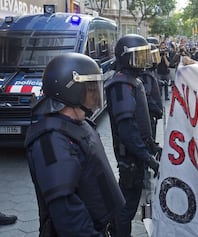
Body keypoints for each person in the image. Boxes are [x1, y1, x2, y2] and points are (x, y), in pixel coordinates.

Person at [24, 53, 125, 236]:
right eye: (91, 89)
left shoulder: (78, 123)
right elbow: (67, 214)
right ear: (71, 91)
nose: (95, 96)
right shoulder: (51, 140)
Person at [105, 34, 160, 237]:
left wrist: (152, 147)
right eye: (139, 56)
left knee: (129, 201)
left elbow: (139, 123)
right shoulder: (121, 85)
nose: (144, 61)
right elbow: (127, 128)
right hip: (130, 157)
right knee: (126, 207)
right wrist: (148, 157)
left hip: (137, 154)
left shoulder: (130, 81)